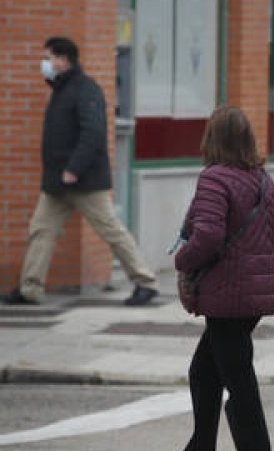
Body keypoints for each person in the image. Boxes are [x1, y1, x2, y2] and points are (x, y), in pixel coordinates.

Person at [159, 105, 274, 451]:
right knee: (205, 371)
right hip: (255, 288)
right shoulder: (262, 179)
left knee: (237, 375)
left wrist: (182, 259)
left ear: (213, 137)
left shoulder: (215, 178)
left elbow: (208, 236)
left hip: (228, 291)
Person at [2, 37, 159, 307]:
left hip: (83, 181)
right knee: (41, 230)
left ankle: (146, 282)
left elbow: (93, 133)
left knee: (111, 230)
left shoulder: (85, 90)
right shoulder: (62, 89)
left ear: (63, 60)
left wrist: (74, 169)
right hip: (57, 184)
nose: (46, 63)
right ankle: (30, 289)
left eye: (49, 58)